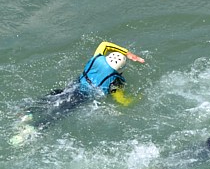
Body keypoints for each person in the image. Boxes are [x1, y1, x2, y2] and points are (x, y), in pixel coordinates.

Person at [10, 41, 146, 144]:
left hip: (74, 86)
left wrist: (128, 53)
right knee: (58, 114)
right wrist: (138, 98)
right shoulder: (115, 82)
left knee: (55, 96)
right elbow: (122, 101)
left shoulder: (97, 58)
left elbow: (105, 44)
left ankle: (28, 113)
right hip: (81, 97)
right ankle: (28, 132)